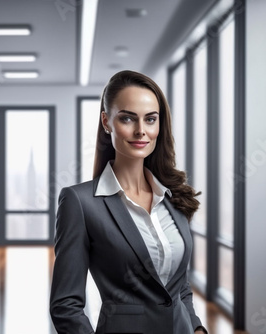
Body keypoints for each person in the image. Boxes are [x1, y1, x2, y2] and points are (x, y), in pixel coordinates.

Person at [50, 70, 208, 334]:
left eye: (150, 119)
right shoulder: (80, 202)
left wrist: (197, 328)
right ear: (106, 121)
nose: (141, 131)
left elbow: (178, 286)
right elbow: (66, 305)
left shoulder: (172, 197)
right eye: (127, 118)